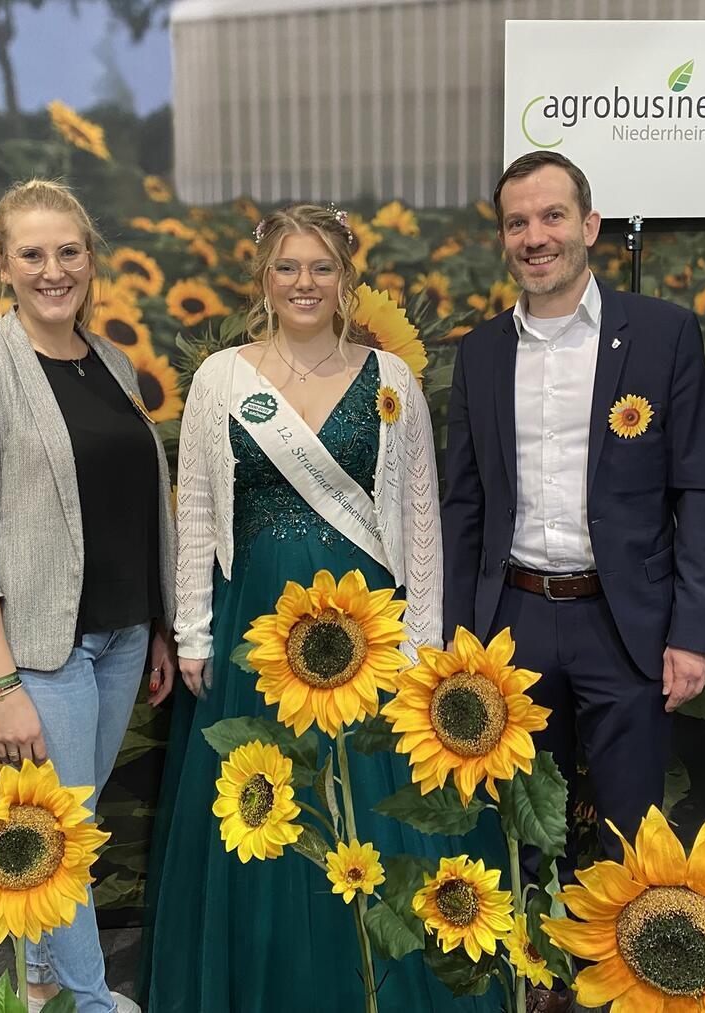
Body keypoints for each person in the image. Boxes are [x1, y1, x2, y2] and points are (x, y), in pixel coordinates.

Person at [140, 204, 503, 1013]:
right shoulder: (221, 379)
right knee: (264, 806)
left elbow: (418, 518)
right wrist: (192, 629)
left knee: (372, 814)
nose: (305, 283)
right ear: (264, 279)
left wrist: (424, 642)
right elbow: (194, 509)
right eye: (289, 267)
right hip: (252, 624)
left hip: (367, 624)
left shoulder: (392, 380)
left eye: (322, 267)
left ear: (347, 279)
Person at [442, 151, 705, 869]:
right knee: (520, 824)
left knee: (630, 827)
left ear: (590, 224)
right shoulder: (478, 353)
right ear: (503, 239)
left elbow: (700, 492)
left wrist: (693, 634)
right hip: (511, 618)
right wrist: (456, 633)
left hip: (624, 620)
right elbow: (463, 504)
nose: (535, 236)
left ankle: (609, 978)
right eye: (517, 222)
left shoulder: (664, 335)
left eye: (551, 216)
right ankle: (533, 979)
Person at [0, 179, 177, 1013]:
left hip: (121, 636)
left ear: (91, 259)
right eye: (32, 253)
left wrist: (160, 625)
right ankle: (88, 999)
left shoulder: (108, 360)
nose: (53, 269)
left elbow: (134, 503)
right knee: (62, 834)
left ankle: (39, 981)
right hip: (37, 650)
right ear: (3, 265)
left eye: (69, 251)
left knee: (75, 813)